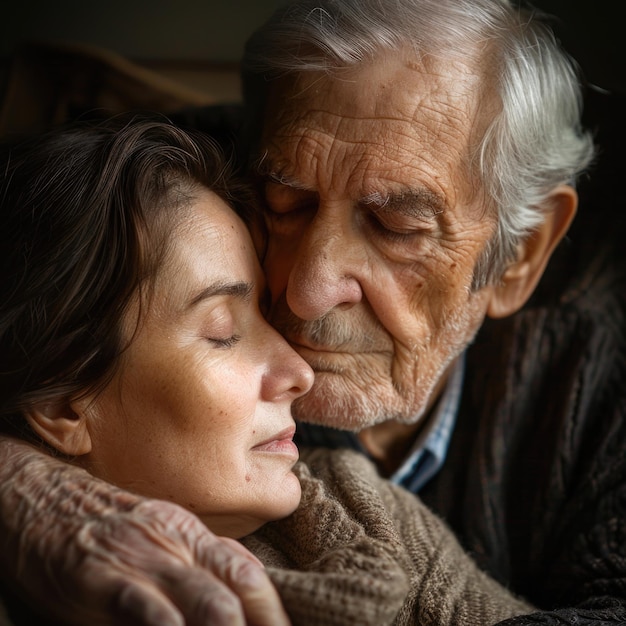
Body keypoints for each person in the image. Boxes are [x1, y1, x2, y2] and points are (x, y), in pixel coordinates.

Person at [0, 0, 625, 624]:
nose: (308, 290)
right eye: (287, 203)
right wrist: (20, 485)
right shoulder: (169, 180)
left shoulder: (603, 343)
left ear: (520, 255)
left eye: (393, 226)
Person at [0, 115, 536, 626]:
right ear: (63, 403)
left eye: (265, 312)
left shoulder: (366, 508)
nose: (299, 370)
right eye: (222, 332)